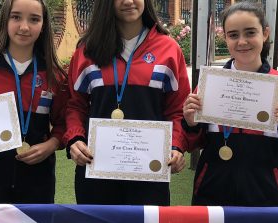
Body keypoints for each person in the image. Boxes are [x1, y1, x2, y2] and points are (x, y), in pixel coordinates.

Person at [182, 1, 278, 207]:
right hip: (210, 193)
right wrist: (190, 124)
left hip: (264, 196)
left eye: (250, 32)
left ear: (265, 33)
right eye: (233, 35)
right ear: (225, 37)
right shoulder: (209, 84)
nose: (242, 41)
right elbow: (193, 143)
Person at [64, 0, 190, 205]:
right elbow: (74, 105)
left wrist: (176, 146)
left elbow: (177, 110)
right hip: (96, 173)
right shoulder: (87, 50)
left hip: (149, 176)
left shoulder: (169, 49)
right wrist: (75, 139)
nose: (129, 2)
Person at [0, 0, 69, 204]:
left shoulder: (54, 75)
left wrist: (51, 145)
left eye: (34, 19)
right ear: (4, 21)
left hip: (37, 185)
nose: (24, 27)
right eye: (16, 17)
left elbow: (63, 123)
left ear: (43, 25)